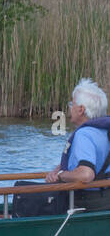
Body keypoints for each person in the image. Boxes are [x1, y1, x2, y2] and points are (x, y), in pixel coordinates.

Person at [41, 78, 110, 211]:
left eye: (72, 104)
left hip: (87, 202)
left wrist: (60, 175)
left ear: (81, 110)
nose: (70, 108)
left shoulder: (84, 134)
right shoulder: (105, 130)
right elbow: (98, 159)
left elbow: (86, 174)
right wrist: (59, 168)